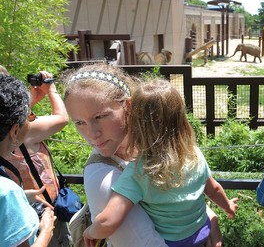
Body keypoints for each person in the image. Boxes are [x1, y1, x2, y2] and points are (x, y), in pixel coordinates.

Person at [63, 63, 224, 247]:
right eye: (79, 122)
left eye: (100, 116)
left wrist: (210, 217)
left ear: (128, 106)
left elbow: (180, 192)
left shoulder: (156, 146)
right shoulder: (101, 178)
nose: (92, 133)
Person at [0, 66, 71, 246]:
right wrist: (52, 90)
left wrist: (28, 103)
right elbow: (62, 118)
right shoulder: (7, 192)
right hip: (41, 215)